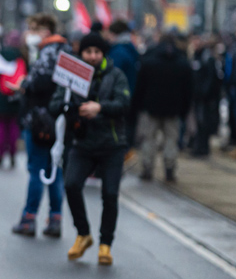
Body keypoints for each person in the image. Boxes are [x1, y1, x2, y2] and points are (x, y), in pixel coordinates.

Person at [51, 33, 130, 266]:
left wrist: (100, 108)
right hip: (82, 142)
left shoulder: (116, 75)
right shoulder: (71, 75)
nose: (93, 56)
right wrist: (69, 107)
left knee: (110, 194)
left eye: (97, 52)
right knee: (71, 185)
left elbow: (124, 104)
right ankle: (83, 233)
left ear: (103, 53)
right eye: (88, 52)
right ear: (81, 53)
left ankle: (106, 244)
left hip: (112, 144)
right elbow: (55, 104)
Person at [11, 13, 71, 238]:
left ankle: (29, 218)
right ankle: (55, 219)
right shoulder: (67, 51)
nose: (30, 34)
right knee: (55, 170)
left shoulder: (48, 53)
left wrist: (24, 84)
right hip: (59, 121)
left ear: (46, 30)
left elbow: (40, 83)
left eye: (34, 29)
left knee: (36, 170)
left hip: (39, 120)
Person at [133, 33, 192, 182]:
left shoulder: (149, 61)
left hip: (150, 107)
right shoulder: (183, 63)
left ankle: (147, 168)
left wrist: (137, 106)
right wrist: (184, 110)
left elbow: (140, 87)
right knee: (171, 140)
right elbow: (188, 91)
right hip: (173, 109)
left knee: (148, 139)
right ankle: (170, 169)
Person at [0, 36, 26, 169]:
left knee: (1, 127)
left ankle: (0, 154)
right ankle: (13, 154)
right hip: (15, 97)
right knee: (13, 127)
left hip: (0, 97)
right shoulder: (21, 56)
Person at [105, 20, 140, 149]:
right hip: (129, 95)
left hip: (118, 97)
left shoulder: (118, 52)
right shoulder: (130, 48)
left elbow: (111, 75)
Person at [190, 35, 223, 157]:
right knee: (199, 123)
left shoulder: (207, 58)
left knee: (203, 123)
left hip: (204, 98)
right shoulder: (197, 56)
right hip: (198, 96)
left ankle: (202, 148)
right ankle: (199, 147)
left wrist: (203, 93)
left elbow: (210, 79)